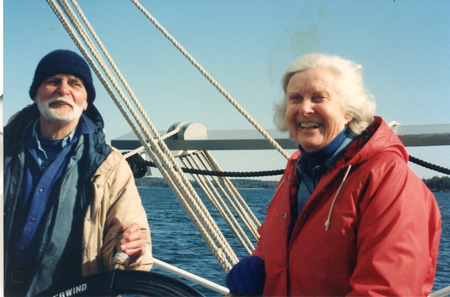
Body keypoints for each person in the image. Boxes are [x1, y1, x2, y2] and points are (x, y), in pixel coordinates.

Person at [226, 53, 441, 296]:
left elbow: (385, 290)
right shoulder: (295, 172)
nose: (305, 108)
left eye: (319, 98)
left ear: (349, 111)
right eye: (295, 98)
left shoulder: (388, 179)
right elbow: (274, 245)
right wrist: (260, 263)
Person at [3, 49, 153, 296]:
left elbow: (135, 241)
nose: (63, 90)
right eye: (53, 81)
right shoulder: (4, 146)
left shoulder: (110, 166)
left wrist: (131, 250)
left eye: (75, 83)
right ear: (35, 95)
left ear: (86, 102)